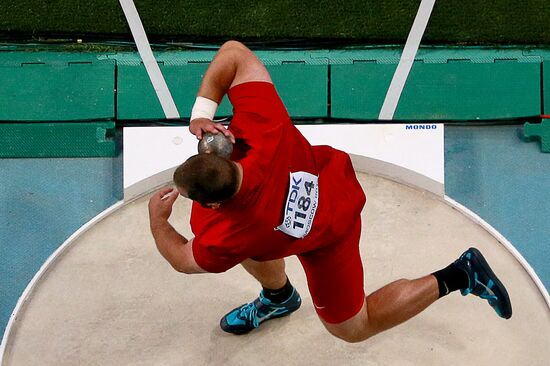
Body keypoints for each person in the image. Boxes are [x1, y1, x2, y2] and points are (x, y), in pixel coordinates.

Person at [148, 40, 512, 343]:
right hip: (329, 185)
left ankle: (461, 274)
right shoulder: (260, 127)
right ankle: (279, 298)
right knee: (251, 248)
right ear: (223, 142)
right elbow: (234, 53)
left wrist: (157, 221)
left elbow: (182, 259)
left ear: (212, 201)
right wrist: (200, 113)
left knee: (353, 327)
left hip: (330, 234)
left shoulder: (223, 234)